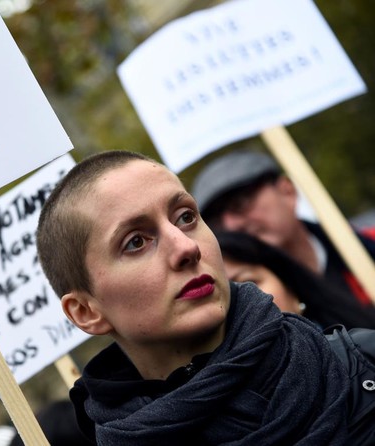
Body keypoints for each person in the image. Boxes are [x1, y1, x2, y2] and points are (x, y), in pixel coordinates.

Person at [35, 150, 372, 445]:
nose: (186, 247)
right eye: (136, 241)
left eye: (186, 217)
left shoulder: (365, 363)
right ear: (85, 311)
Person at [190, 149, 375, 308]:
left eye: (241, 204)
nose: (231, 225)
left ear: (288, 191)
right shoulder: (246, 312)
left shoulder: (368, 245)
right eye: (217, 221)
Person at [215, 230, 375, 329]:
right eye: (222, 294)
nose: (241, 299)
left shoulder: (363, 348)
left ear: (288, 284)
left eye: (248, 282)